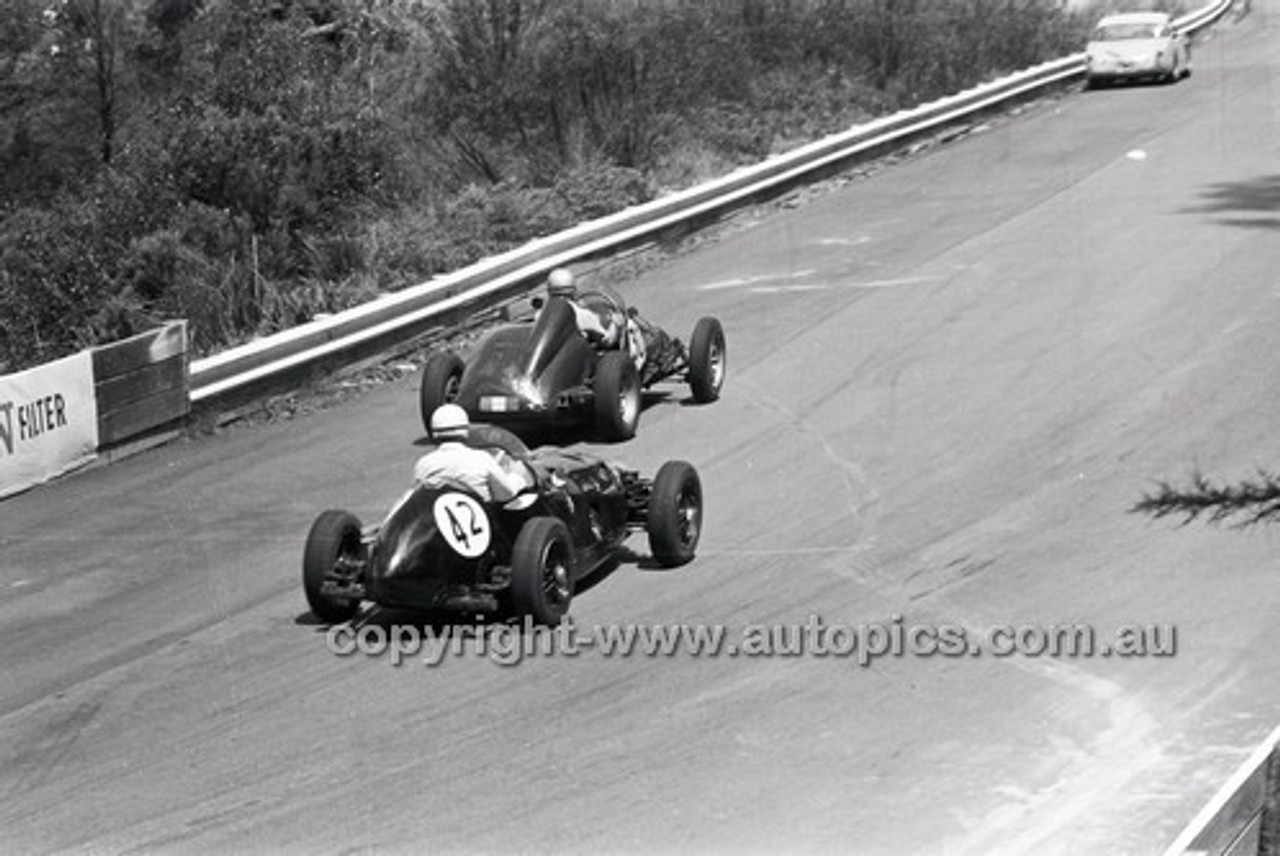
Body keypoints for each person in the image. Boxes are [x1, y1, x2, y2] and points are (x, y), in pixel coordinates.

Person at [414, 405, 534, 503]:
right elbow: (506, 494)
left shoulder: (423, 464)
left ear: (434, 433)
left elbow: (419, 497)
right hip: (485, 521)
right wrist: (518, 478)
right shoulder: (481, 459)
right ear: (465, 431)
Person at [544, 268, 647, 371]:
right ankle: (636, 368)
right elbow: (608, 341)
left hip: (552, 363)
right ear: (572, 290)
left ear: (549, 291)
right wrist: (614, 324)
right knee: (628, 326)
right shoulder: (582, 314)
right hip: (580, 367)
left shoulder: (541, 315)